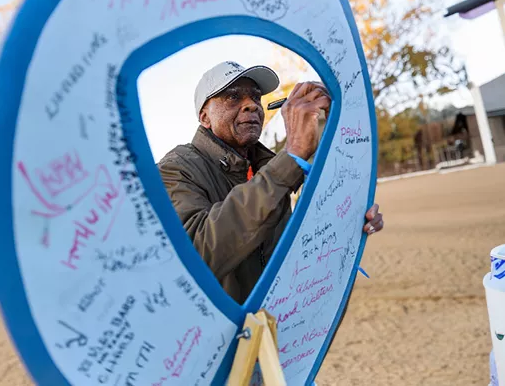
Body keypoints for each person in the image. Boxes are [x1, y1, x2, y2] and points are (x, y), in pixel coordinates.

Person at [158, 61, 383, 304]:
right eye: (233, 97)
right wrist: (291, 157)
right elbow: (197, 253)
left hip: (283, 321)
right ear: (204, 117)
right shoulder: (176, 168)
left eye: (256, 97)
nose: (251, 105)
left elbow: (293, 246)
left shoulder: (267, 166)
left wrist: (349, 220)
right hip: (226, 334)